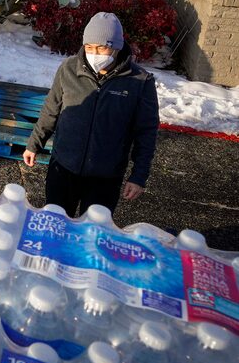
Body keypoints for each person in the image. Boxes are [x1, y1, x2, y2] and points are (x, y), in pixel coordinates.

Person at [23, 12, 160, 217]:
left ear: (117, 46)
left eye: (102, 47)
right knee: (57, 224)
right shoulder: (69, 69)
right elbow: (51, 109)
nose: (94, 53)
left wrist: (139, 176)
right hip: (63, 167)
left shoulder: (140, 81)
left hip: (105, 176)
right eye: (89, 47)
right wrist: (34, 144)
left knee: (93, 232)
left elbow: (146, 132)